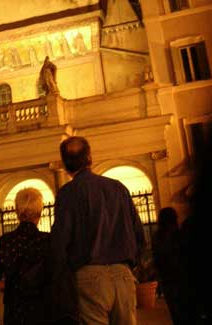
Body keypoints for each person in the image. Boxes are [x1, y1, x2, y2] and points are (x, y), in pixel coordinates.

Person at [51, 136, 145, 325]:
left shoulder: (68, 193)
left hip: (89, 276)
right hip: (122, 273)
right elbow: (138, 234)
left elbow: (60, 241)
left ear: (65, 164)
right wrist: (130, 265)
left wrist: (63, 278)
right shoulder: (117, 188)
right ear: (90, 158)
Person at [0, 187, 50, 325]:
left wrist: (12, 284)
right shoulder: (48, 241)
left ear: (17, 212)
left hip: (14, 311)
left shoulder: (5, 241)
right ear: (40, 213)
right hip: (42, 311)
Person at [151, 207, 181, 324]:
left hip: (166, 278)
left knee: (175, 310)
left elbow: (157, 257)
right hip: (178, 277)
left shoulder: (157, 237)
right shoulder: (178, 234)